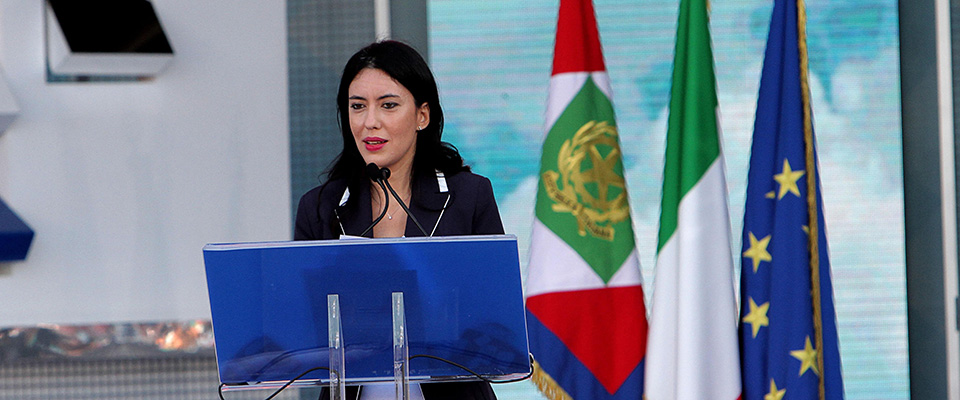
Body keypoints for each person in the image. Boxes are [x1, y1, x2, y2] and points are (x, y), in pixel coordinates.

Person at [294, 40, 501, 400]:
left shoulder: (469, 197)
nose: (370, 122)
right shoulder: (320, 208)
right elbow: (301, 330)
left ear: (423, 115)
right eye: (357, 107)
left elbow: (496, 325)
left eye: (388, 105)